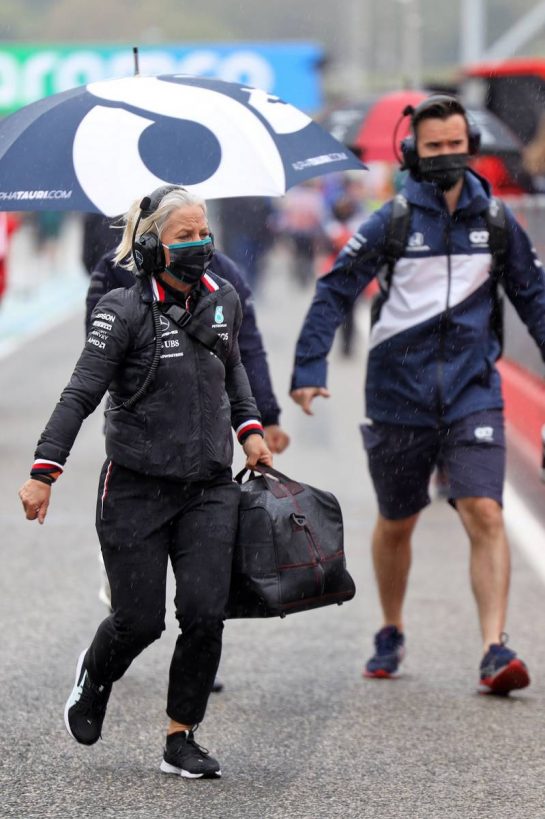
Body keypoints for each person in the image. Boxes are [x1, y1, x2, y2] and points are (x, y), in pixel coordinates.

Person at [290, 95, 545, 695]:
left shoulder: (497, 222)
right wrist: (309, 365)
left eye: (455, 145)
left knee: (484, 510)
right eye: (433, 147)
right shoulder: (392, 221)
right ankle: (390, 627)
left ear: (470, 147)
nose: (446, 155)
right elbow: (334, 291)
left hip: (473, 392)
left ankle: (494, 648)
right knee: (398, 521)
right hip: (398, 396)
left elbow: (534, 298)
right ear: (411, 153)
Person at [19, 185, 272, 778]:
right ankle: (95, 675)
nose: (200, 243)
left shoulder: (224, 298)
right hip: (135, 488)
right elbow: (80, 393)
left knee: (205, 614)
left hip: (209, 488)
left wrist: (251, 429)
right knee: (139, 621)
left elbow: (233, 367)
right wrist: (44, 471)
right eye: (185, 235)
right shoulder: (120, 309)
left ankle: (181, 737)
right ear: (151, 245)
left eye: (204, 232)